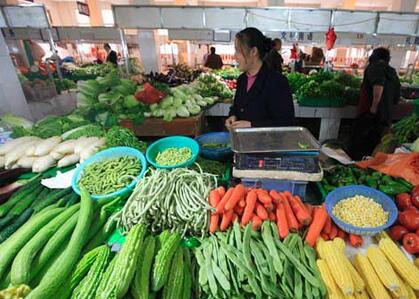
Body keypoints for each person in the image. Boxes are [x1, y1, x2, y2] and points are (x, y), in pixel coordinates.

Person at [225, 28, 295, 129]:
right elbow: (237, 107)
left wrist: (252, 125)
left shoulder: (277, 81)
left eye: (238, 51)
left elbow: (286, 121)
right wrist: (233, 116)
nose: (235, 56)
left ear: (253, 51)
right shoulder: (242, 79)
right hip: (242, 141)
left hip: (267, 143)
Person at [348, 47, 401, 160]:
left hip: (371, 112)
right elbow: (397, 95)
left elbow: (378, 86)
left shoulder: (375, 67)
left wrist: (374, 106)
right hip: (386, 113)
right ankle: (369, 162)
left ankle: (356, 162)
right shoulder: (391, 71)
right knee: (376, 141)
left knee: (361, 139)